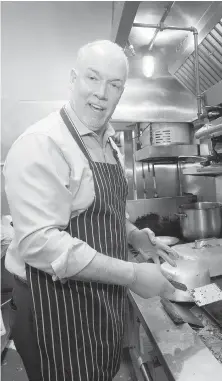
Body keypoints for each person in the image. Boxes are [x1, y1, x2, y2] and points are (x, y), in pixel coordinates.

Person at [4, 40, 177, 381]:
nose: (101, 93)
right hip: (54, 308)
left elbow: (104, 210)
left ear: (121, 92)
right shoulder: (43, 142)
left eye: (114, 85)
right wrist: (132, 274)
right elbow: (40, 243)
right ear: (73, 79)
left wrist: (135, 237)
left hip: (96, 302)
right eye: (93, 78)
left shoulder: (106, 141)